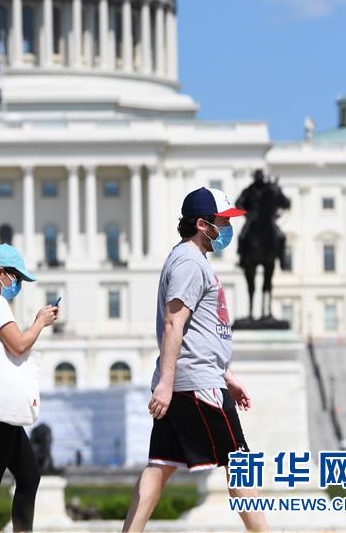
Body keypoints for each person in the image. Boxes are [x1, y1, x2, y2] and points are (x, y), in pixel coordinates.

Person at [122, 187, 269, 533]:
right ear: (203, 224)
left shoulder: (191, 259)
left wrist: (226, 374)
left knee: (159, 465)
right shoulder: (189, 261)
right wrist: (167, 383)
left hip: (196, 377)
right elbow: (175, 322)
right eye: (222, 222)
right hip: (196, 383)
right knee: (241, 462)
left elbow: (202, 329)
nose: (227, 229)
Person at [0, 243, 59, 533]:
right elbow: (18, 345)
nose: (17, 284)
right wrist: (40, 323)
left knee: (29, 476)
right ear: (1, 273)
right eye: (16, 277)